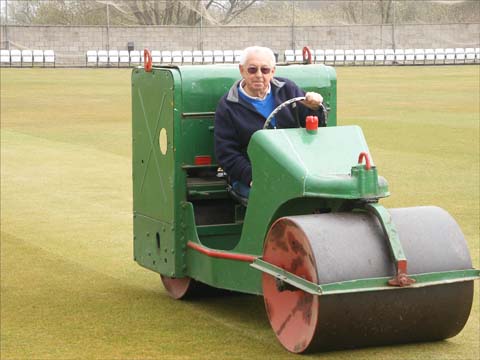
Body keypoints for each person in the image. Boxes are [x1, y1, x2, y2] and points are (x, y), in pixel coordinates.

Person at [214, 46, 324, 198]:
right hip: (252, 176)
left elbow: (315, 127)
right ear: (242, 70)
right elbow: (226, 153)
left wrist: (315, 108)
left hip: (294, 171)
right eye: (252, 70)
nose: (259, 75)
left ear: (273, 71)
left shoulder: (289, 90)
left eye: (265, 70)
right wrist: (252, 177)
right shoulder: (228, 106)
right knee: (275, 197)